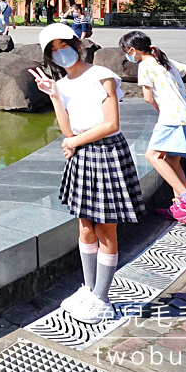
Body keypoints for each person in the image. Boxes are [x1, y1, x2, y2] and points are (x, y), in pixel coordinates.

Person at [29, 23, 145, 324]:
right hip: (82, 156)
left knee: (106, 228)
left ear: (76, 44)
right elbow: (67, 130)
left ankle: (102, 299)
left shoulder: (102, 76)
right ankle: (89, 288)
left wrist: (73, 143)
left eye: (62, 45)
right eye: (52, 51)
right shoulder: (63, 85)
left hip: (105, 153)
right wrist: (53, 95)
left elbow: (111, 124)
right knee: (84, 227)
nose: (60, 53)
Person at [119, 31, 186, 222]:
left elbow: (147, 97)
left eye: (127, 52)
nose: (128, 56)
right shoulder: (165, 61)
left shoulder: (145, 65)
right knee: (172, 162)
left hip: (172, 119)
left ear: (133, 50)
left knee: (152, 156)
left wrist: (159, 109)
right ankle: (181, 209)